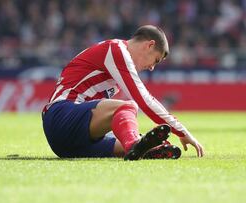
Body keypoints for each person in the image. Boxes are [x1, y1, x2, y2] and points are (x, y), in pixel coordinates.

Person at [41, 25, 204, 160]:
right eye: (156, 60)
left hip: (68, 143)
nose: (152, 67)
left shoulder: (114, 59)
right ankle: (135, 145)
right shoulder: (116, 49)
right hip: (61, 116)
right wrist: (180, 130)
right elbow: (144, 100)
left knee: (127, 142)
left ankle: (143, 147)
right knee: (128, 107)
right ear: (149, 45)